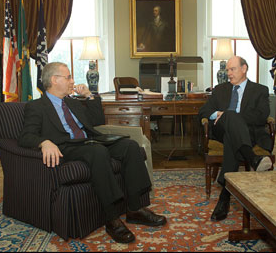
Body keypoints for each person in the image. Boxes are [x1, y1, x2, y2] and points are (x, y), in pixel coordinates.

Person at [18, 62, 167, 243]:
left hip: (90, 141)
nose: (72, 81)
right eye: (68, 77)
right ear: (54, 80)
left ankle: (135, 208)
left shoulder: (72, 102)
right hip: (67, 147)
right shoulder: (37, 106)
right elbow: (26, 136)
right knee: (97, 152)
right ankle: (112, 219)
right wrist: (44, 142)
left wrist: (89, 96)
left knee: (131, 146)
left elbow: (96, 121)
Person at [198, 56, 273, 222]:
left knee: (232, 132)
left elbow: (261, 116)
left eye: (232, 69)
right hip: (220, 131)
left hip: (248, 134)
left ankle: (224, 197)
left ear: (244, 68)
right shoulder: (219, 89)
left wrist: (232, 117)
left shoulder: (260, 90)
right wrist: (220, 114)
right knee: (229, 119)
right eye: (227, 70)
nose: (229, 73)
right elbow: (203, 112)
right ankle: (252, 158)